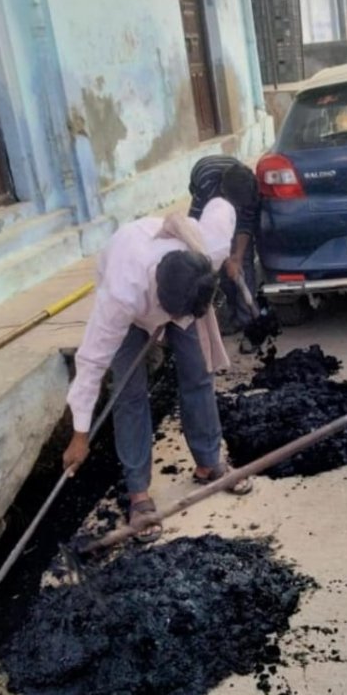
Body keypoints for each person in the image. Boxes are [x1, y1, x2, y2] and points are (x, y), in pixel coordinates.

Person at [62, 202, 252, 546]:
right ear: (160, 302)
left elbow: (222, 206)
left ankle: (209, 462)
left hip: (184, 291)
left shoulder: (204, 248)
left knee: (198, 373)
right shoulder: (121, 296)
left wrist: (225, 263)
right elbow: (90, 362)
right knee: (129, 394)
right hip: (131, 311)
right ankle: (138, 493)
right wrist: (79, 434)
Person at [188, 155, 259, 353]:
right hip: (200, 176)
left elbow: (245, 225)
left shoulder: (250, 190)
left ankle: (249, 325)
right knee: (215, 268)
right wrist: (224, 255)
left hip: (230, 182)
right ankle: (229, 317)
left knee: (243, 265)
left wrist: (236, 257)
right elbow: (196, 229)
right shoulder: (207, 187)